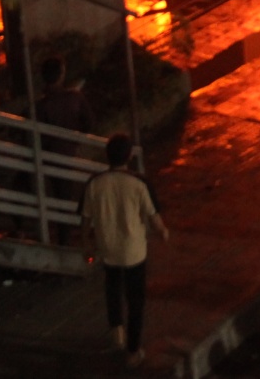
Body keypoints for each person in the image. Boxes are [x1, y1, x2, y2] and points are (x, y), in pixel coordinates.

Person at [81, 133, 168, 369]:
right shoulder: (139, 183)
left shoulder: (95, 183)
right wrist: (163, 232)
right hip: (134, 252)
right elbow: (154, 217)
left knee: (112, 289)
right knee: (136, 300)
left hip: (108, 248)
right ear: (129, 156)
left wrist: (86, 248)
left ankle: (116, 331)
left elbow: (85, 220)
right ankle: (132, 351)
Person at [36, 54, 96, 155]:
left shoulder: (39, 106)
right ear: (62, 74)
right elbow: (89, 123)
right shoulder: (74, 98)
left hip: (48, 159)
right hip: (69, 154)